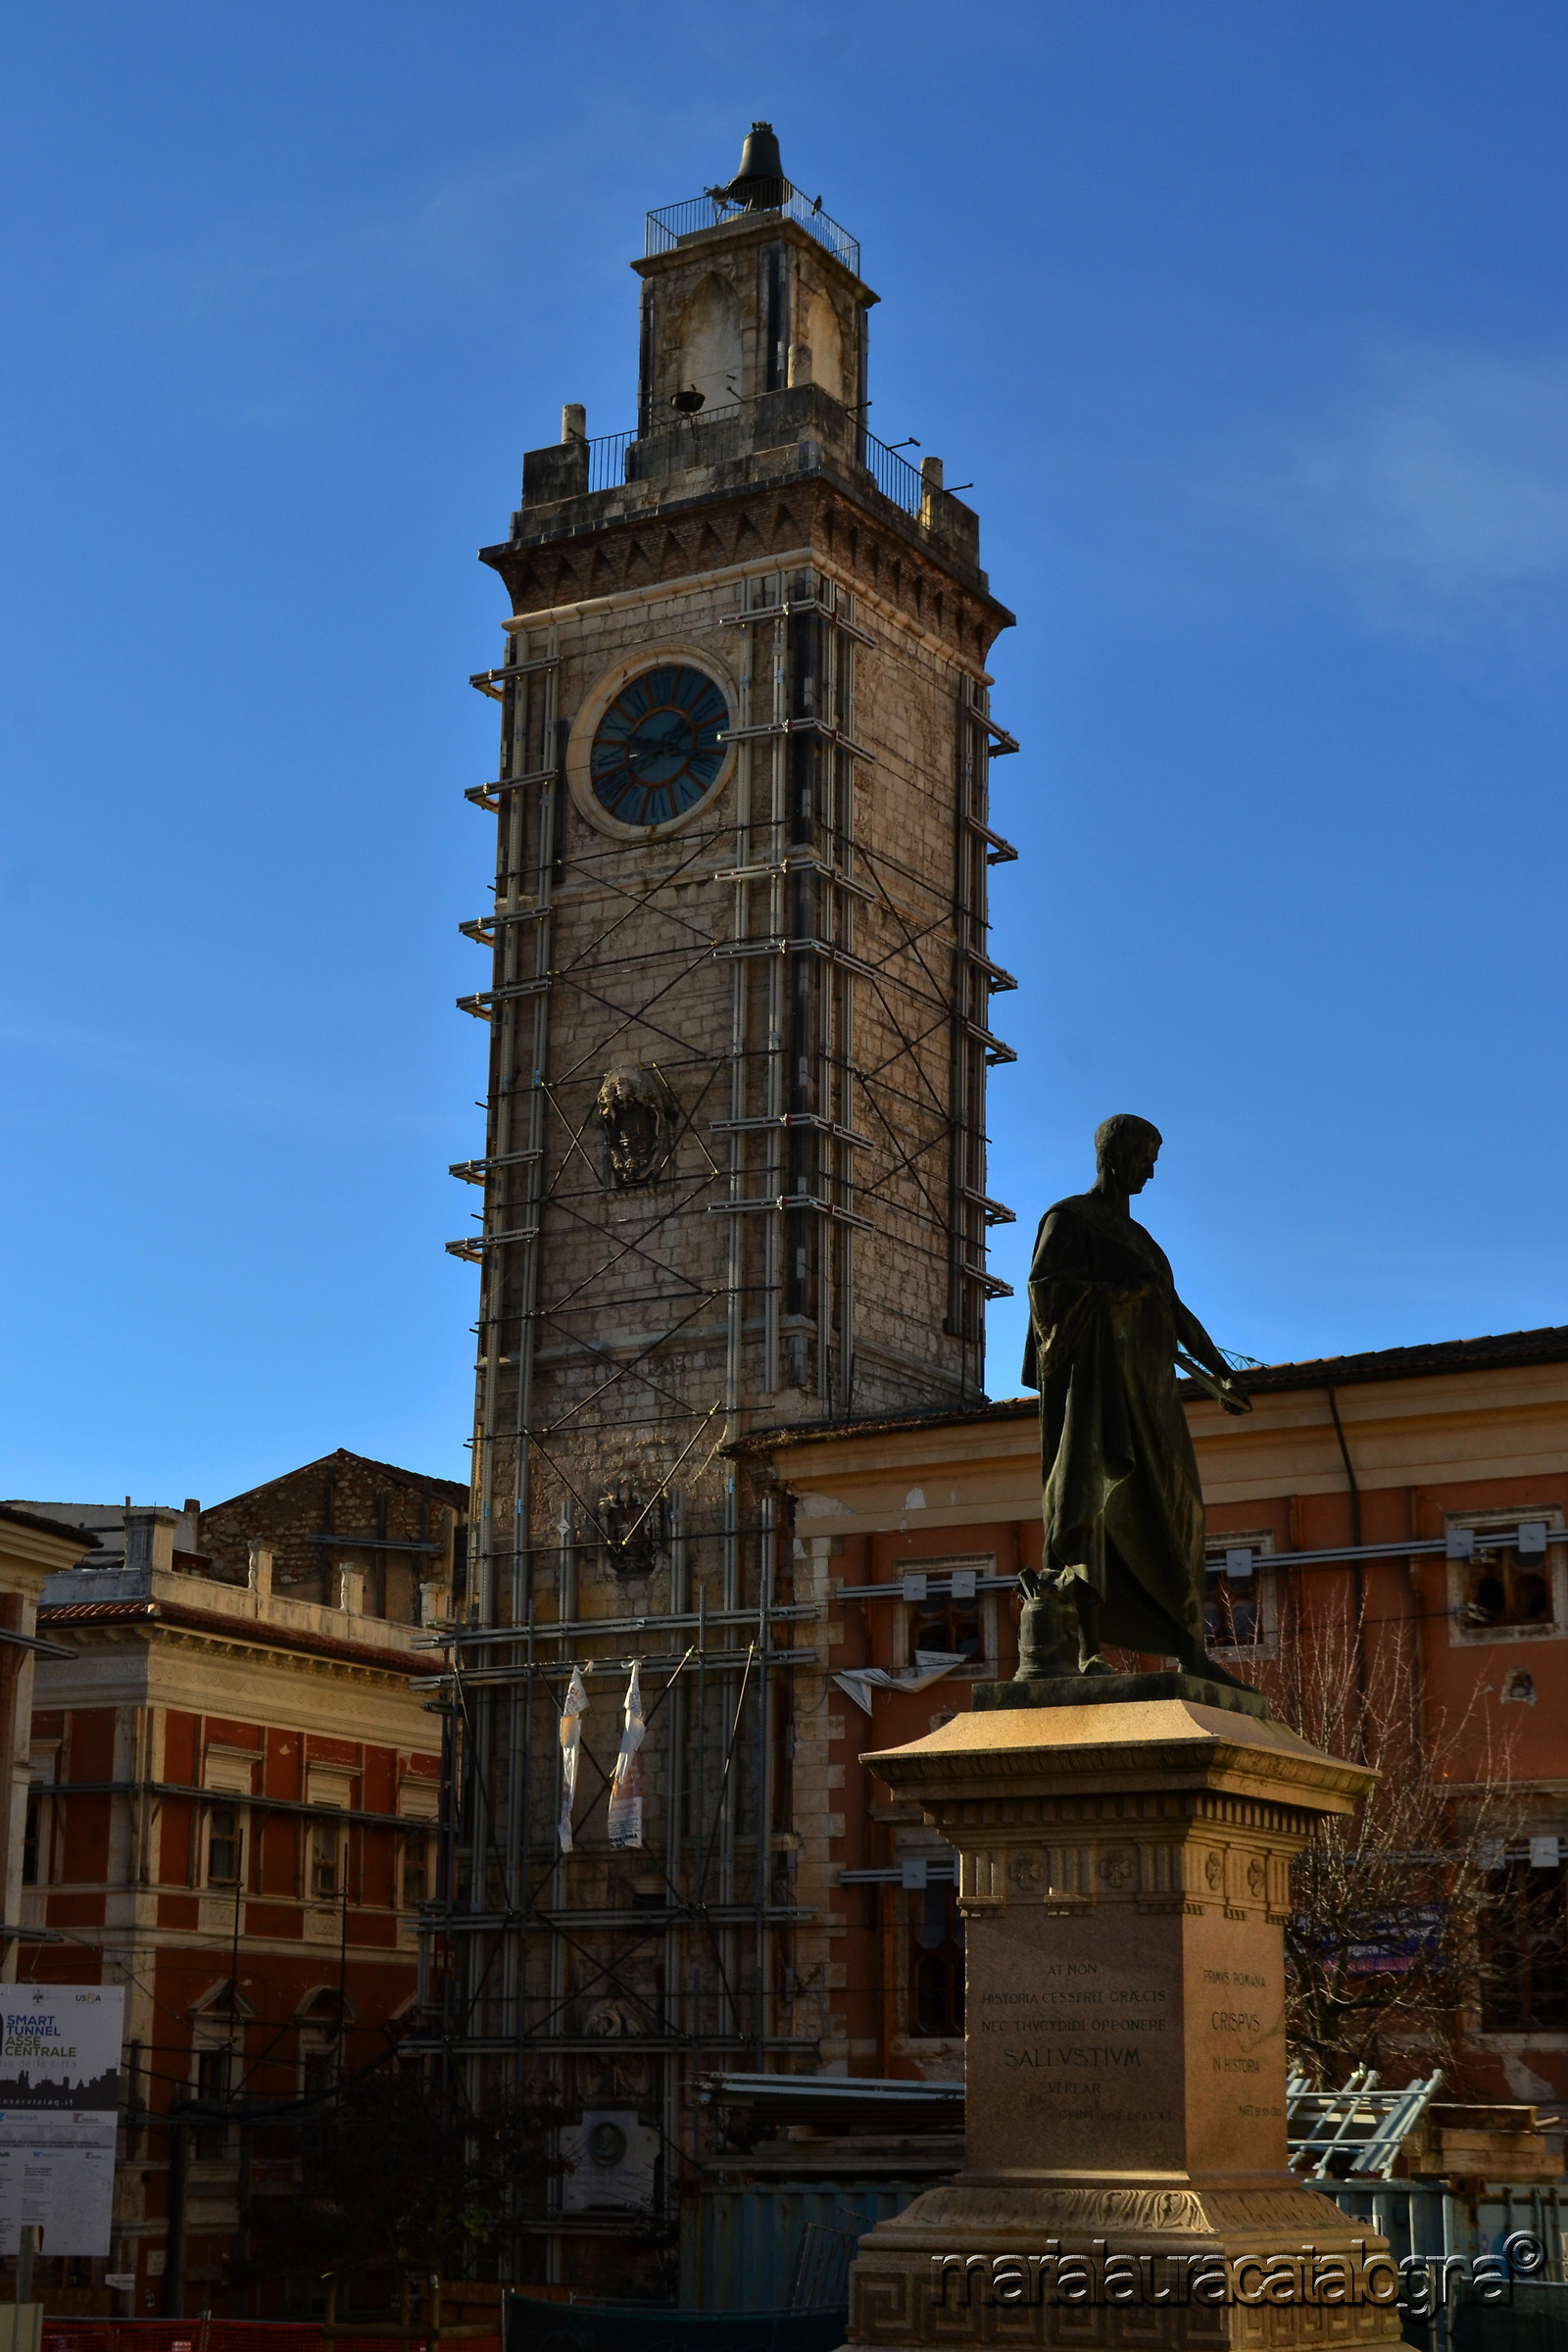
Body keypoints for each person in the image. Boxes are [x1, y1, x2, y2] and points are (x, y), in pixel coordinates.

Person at [1019, 1113, 1252, 1683]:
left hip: (1153, 1398)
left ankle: (1189, 1646)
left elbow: (1176, 1315)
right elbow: (1045, 1296)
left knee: (1181, 1513)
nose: (1150, 1171)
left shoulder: (1144, 1242)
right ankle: (1085, 1649)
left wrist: (1222, 1374)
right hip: (1099, 1391)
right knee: (1092, 1508)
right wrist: (1116, 1295)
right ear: (1115, 1154)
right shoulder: (1068, 1219)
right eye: (1145, 1157)